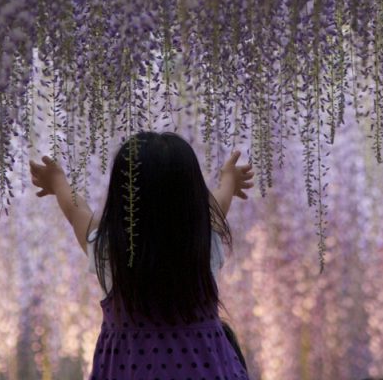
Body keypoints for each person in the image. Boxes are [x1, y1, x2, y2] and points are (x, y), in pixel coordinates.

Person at [30, 132, 254, 380]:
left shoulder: (109, 252)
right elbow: (217, 207)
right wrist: (229, 181)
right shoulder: (205, 245)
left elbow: (77, 212)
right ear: (193, 198)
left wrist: (58, 181)